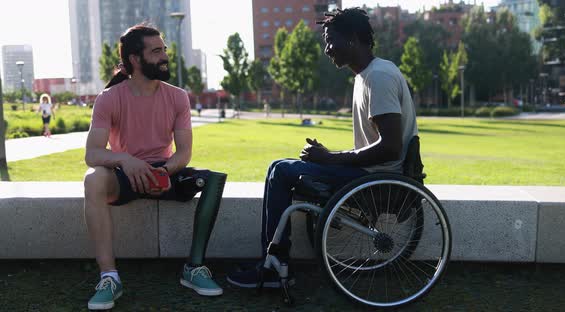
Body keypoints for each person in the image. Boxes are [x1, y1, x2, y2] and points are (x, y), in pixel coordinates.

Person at [227, 8, 418, 288]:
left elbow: (390, 147)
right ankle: (272, 260)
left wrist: (331, 158)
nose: (327, 49)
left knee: (281, 171)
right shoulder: (366, 76)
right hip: (371, 173)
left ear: (352, 39)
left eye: (331, 41)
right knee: (278, 168)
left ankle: (275, 266)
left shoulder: (378, 77)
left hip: (380, 179)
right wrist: (330, 158)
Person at [84, 24, 225, 310]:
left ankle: (194, 268)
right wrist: (124, 159)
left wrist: (165, 171)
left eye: (164, 50)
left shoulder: (177, 96)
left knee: (212, 180)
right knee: (93, 179)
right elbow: (93, 154)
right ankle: (109, 278)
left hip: (165, 173)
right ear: (135, 59)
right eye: (157, 51)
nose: (165, 56)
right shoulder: (108, 99)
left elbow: (184, 152)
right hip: (125, 175)